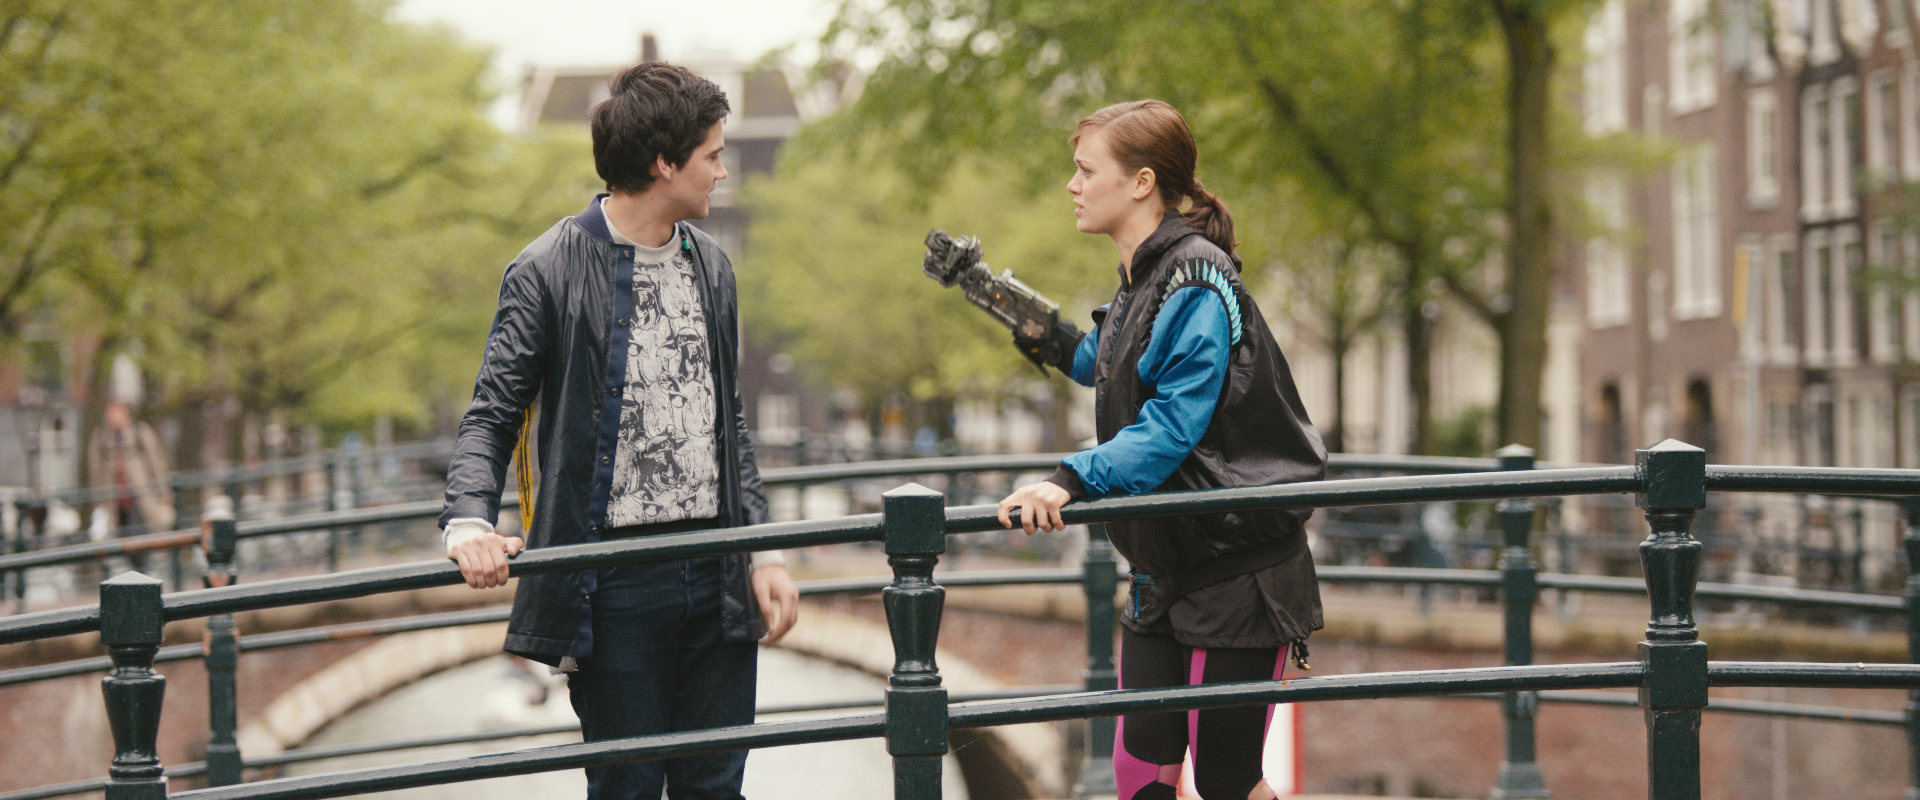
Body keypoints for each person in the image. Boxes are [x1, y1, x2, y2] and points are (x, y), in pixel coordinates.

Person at [437, 61, 798, 800]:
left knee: (717, 788)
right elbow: (492, 413)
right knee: (626, 789)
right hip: (612, 583)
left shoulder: (714, 267)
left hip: (718, 570)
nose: (724, 172)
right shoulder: (545, 270)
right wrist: (468, 521)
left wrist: (761, 551)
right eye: (712, 156)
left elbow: (728, 422)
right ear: (664, 162)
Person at [996, 100, 1327, 800]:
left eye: (1087, 170)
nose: (1072, 185)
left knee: (1228, 782)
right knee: (1140, 776)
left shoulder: (1196, 279)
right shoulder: (1142, 278)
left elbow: (1172, 427)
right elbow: (1098, 360)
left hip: (1237, 571)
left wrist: (1068, 479)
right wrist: (1016, 313)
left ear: (1141, 182)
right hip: (1164, 567)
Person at [87, 400, 177, 570]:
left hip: (139, 495)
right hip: (115, 500)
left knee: (140, 534)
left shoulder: (140, 432)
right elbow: (95, 469)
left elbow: (156, 461)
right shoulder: (101, 437)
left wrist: (163, 489)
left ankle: (142, 570)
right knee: (120, 537)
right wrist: (98, 499)